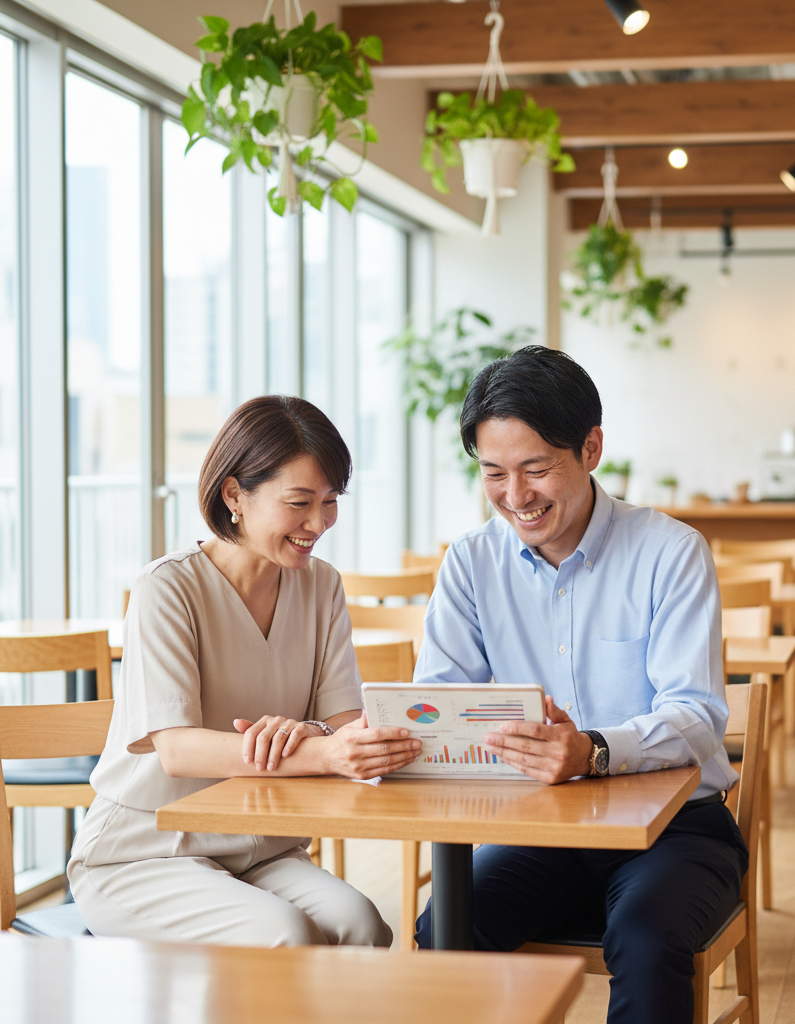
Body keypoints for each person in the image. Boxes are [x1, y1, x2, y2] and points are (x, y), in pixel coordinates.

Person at [413, 347, 746, 1024]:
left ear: (591, 448)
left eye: (536, 468)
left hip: (677, 832)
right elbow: (440, 707)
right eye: (494, 474)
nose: (516, 496)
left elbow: (697, 716)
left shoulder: (670, 552)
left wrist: (592, 749)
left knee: (648, 941)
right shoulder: (471, 564)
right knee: (445, 931)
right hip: (539, 829)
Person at [69, 395, 422, 946]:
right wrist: (323, 750)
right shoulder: (167, 588)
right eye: (299, 502)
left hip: (259, 846)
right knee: (284, 933)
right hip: (144, 853)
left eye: (330, 502)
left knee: (363, 926)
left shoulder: (320, 585)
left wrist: (324, 734)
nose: (318, 523)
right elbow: (178, 749)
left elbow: (345, 723)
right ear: (234, 493)